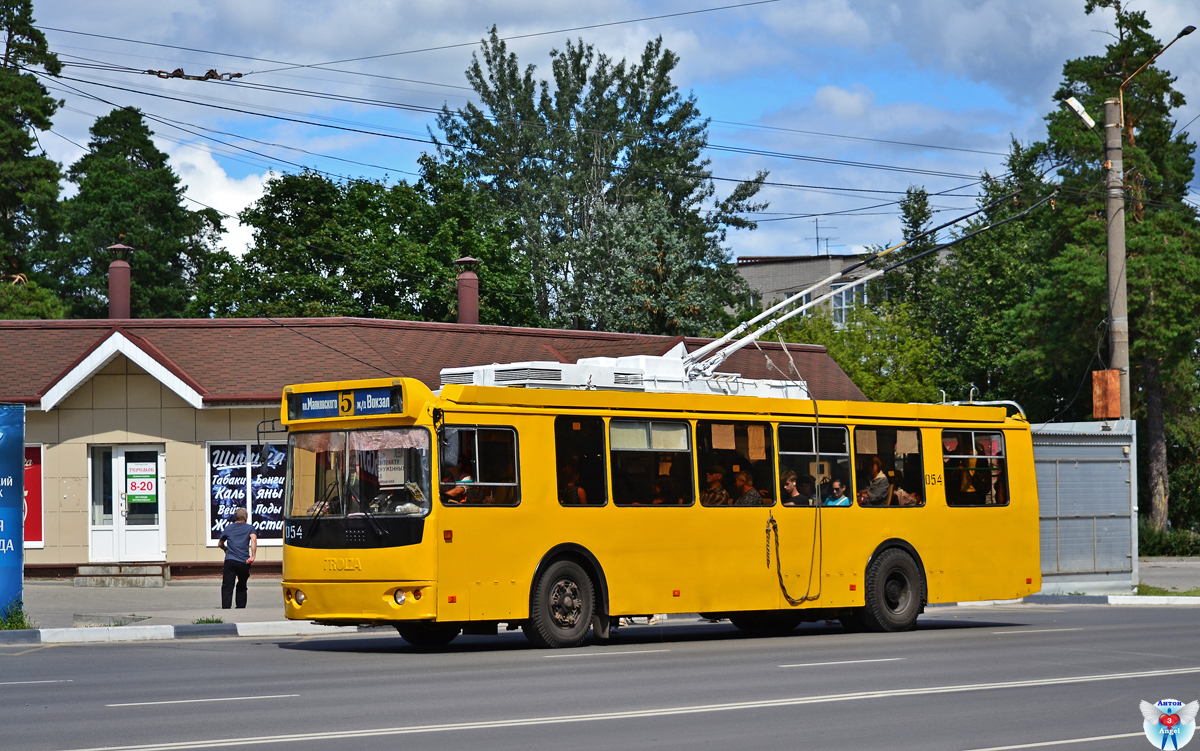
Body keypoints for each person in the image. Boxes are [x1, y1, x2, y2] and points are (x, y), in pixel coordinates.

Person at [218, 507, 257, 609]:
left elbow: (220, 543)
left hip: (230, 560)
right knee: (242, 584)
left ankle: (226, 608)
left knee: (227, 585)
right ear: (245, 517)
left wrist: (225, 549)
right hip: (243, 561)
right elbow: (253, 540)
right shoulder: (250, 528)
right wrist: (253, 556)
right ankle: (240, 607)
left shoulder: (228, 528)